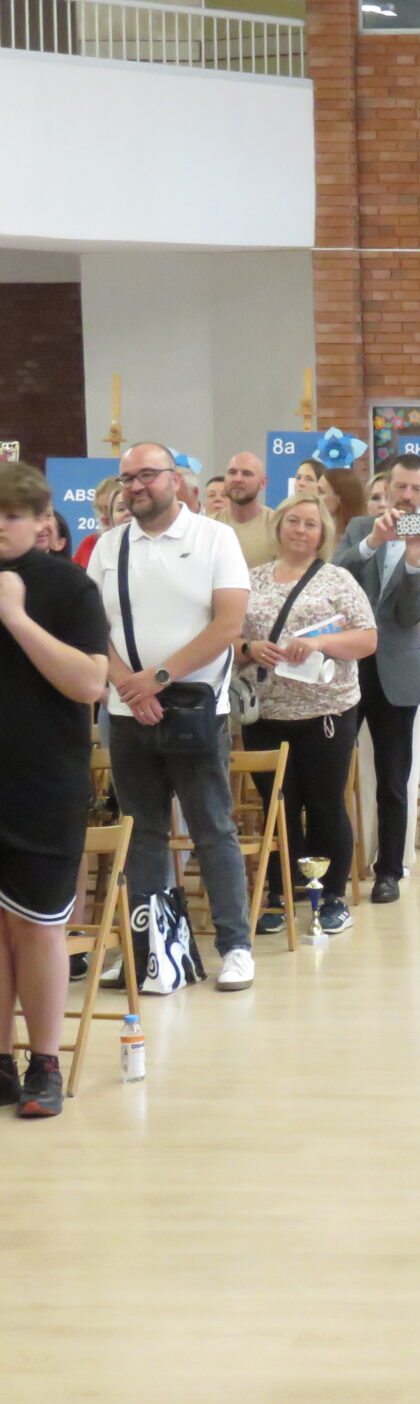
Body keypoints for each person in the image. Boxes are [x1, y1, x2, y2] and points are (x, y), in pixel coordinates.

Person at [87, 443, 257, 991]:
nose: (136, 487)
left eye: (148, 475)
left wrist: (157, 678)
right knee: (142, 832)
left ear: (175, 480)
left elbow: (228, 624)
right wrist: (128, 686)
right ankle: (151, 948)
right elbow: (93, 627)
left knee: (212, 827)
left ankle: (235, 947)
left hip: (195, 710)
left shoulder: (214, 538)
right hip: (126, 712)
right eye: (127, 478)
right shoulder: (110, 546)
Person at [0, 462, 110, 1118]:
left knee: (38, 928)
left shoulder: (68, 586)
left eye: (10, 516)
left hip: (43, 781)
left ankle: (44, 1061)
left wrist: (15, 618)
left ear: (42, 521)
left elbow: (90, 683)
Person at [238, 497, 378, 938]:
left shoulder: (338, 579)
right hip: (265, 712)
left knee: (324, 803)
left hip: (326, 711)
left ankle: (331, 896)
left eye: (310, 524)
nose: (300, 530)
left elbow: (367, 639)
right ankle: (279, 894)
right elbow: (227, 638)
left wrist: (320, 644)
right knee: (277, 806)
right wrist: (249, 648)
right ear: (279, 526)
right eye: (293, 522)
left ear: (323, 534)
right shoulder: (253, 579)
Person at [330, 453, 420, 904]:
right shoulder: (361, 529)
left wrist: (415, 562)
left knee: (394, 779)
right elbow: (332, 579)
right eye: (401, 486)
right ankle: (334, 868)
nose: (407, 496)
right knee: (332, 772)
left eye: (416, 489)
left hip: (397, 673)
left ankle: (389, 871)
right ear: (387, 487)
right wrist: (372, 544)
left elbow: (410, 614)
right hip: (346, 667)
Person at [217, 451, 279, 570]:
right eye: (232, 472)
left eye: (247, 474)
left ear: (263, 483)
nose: (238, 479)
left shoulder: (278, 526)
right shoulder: (210, 525)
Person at [72, 478, 125, 570]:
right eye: (100, 509)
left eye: (108, 509)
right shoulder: (89, 543)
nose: (103, 517)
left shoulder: (139, 543)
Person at [319, 467, 368, 535]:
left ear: (340, 498)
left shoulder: (364, 536)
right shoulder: (318, 532)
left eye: (321, 492)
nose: (315, 496)